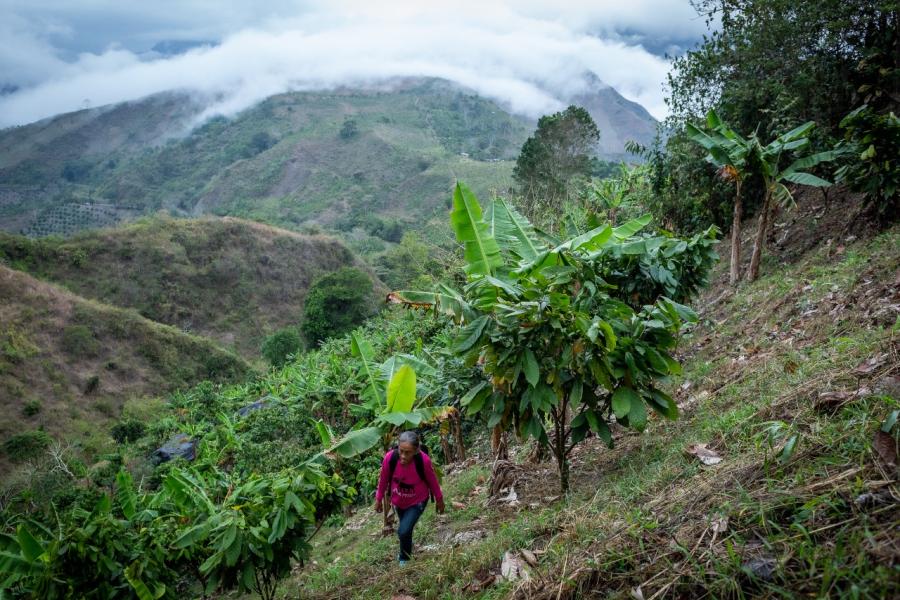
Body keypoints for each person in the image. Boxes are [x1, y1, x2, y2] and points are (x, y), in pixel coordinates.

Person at [374, 431, 445, 565]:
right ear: (398, 447)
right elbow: (383, 480)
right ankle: (407, 548)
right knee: (405, 530)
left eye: (408, 452)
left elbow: (432, 481)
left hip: (417, 501)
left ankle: (404, 558)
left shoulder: (423, 461)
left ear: (416, 451)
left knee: (403, 530)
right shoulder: (390, 459)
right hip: (398, 502)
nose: (403, 456)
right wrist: (378, 499)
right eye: (401, 451)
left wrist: (439, 500)